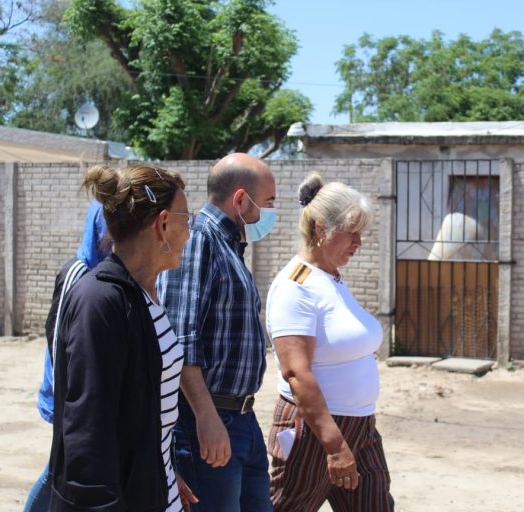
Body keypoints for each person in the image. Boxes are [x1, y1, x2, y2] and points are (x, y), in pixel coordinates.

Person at [49, 164, 198, 511]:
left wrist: (161, 473)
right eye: (185, 220)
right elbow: (88, 432)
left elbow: (139, 412)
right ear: (162, 224)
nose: (189, 233)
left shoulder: (142, 295)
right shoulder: (101, 301)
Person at [265, 173, 395, 511]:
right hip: (316, 432)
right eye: (351, 233)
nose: (358, 243)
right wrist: (335, 446)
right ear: (322, 229)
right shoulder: (296, 286)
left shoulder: (331, 279)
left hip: (361, 426)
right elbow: (296, 373)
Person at [158, 153, 276, 512]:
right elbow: (181, 338)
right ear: (241, 199)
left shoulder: (229, 245)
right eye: (268, 202)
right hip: (209, 422)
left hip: (241, 418)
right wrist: (207, 418)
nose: (270, 213)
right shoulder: (199, 239)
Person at [23, 199, 109, 512]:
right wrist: (70, 404)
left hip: (83, 402)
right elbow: (57, 340)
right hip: (67, 399)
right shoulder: (78, 271)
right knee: (57, 472)